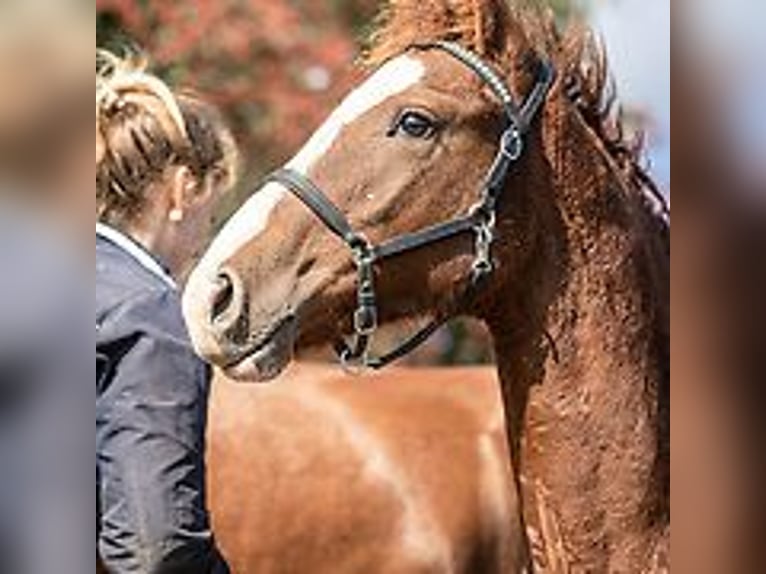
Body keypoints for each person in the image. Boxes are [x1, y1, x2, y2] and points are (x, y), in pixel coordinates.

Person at [96, 50, 238, 573]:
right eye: (213, 212)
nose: (207, 235)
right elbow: (155, 549)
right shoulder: (145, 314)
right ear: (183, 190)